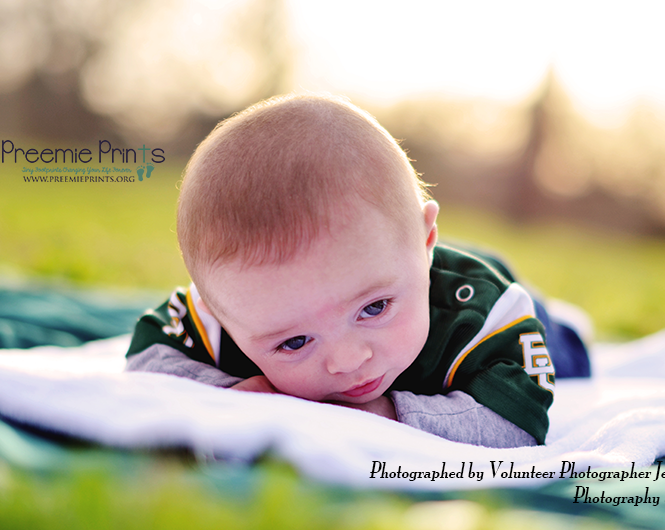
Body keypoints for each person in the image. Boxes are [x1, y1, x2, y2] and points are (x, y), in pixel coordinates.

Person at [126, 94, 589, 448]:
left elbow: (516, 424)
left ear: (426, 240)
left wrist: (388, 415)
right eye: (294, 342)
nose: (347, 361)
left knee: (566, 351)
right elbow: (149, 359)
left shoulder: (485, 313)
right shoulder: (240, 304)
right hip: (402, 264)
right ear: (218, 314)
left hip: (486, 296)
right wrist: (231, 390)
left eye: (375, 308)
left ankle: (566, 322)